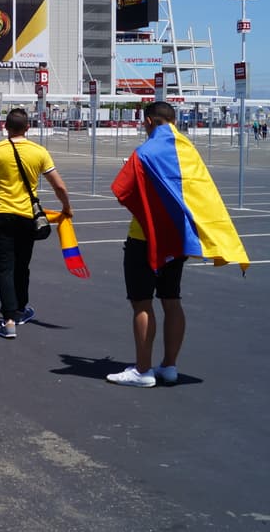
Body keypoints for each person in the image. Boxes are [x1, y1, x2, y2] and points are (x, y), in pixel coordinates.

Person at [106, 102, 249, 387]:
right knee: (172, 301)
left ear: (148, 122)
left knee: (142, 303)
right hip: (177, 240)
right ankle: (169, 366)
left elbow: (124, 190)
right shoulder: (187, 151)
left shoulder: (144, 153)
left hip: (144, 240)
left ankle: (143, 371)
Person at [0, 108, 72, 339]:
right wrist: (66, 208)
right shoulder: (39, 152)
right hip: (27, 218)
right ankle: (21, 309)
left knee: (5, 267)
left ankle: (9, 320)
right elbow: (59, 186)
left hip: (1, 215)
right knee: (22, 265)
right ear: (27, 128)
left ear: (5, 127)